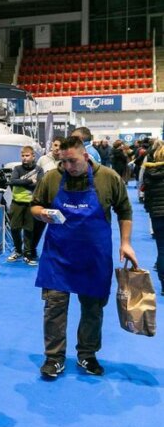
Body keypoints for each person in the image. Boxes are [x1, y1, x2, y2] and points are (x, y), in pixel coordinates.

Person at [31, 136, 136, 379]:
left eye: (73, 161)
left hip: (94, 257)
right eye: (63, 161)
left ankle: (87, 354)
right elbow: (35, 205)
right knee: (54, 307)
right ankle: (54, 358)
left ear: (86, 156)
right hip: (58, 257)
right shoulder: (52, 178)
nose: (68, 166)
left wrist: (126, 242)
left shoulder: (108, 177)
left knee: (93, 309)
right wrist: (42, 213)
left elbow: (124, 210)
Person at [7, 146, 43, 266]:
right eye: (23, 156)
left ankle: (27, 254)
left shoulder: (39, 169)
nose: (24, 158)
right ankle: (18, 250)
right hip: (16, 203)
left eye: (27, 155)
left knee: (29, 229)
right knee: (14, 228)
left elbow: (39, 185)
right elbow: (13, 181)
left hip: (31, 204)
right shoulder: (17, 169)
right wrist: (29, 181)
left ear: (33, 156)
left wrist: (21, 182)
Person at [142, 143, 164, 290]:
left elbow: (147, 193)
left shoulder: (149, 172)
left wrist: (150, 210)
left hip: (156, 214)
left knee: (161, 249)